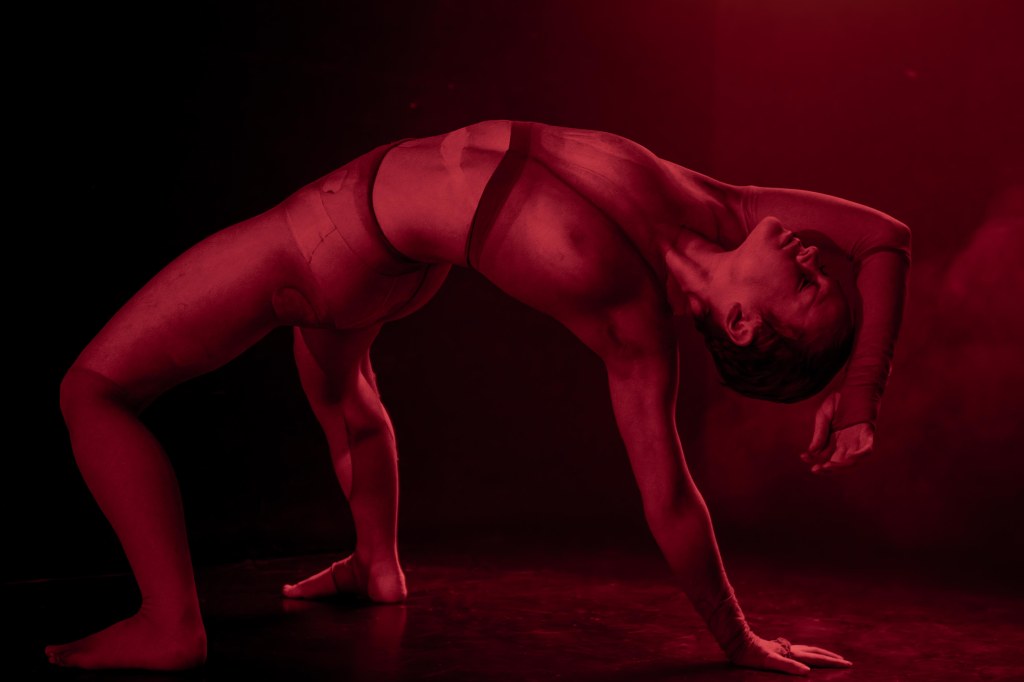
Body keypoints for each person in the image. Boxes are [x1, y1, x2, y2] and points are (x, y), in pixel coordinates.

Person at [48, 119, 910, 673]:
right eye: (817, 272)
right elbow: (884, 238)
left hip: (320, 247)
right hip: (387, 257)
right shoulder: (720, 204)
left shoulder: (630, 317)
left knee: (93, 390)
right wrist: (863, 394)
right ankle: (377, 567)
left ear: (745, 326)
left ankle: (169, 624)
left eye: (807, 289)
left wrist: (737, 641)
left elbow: (671, 499)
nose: (812, 257)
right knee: (343, 386)